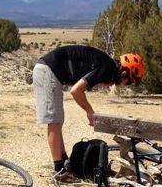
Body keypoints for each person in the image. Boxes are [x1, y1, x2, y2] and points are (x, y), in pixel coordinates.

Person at [29, 45, 146, 178]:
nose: (127, 85)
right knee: (54, 122)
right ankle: (60, 170)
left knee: (57, 121)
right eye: (130, 82)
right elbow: (76, 91)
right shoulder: (108, 68)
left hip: (49, 70)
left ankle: (64, 164)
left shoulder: (107, 66)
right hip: (48, 70)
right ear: (125, 73)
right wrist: (90, 112)